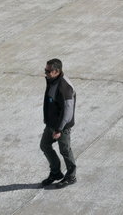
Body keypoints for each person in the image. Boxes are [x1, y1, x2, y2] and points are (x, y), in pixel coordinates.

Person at [40, 58, 77, 188]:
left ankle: (71, 176)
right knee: (45, 145)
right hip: (51, 123)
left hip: (62, 126)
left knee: (65, 150)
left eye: (48, 71)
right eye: (45, 70)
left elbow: (67, 112)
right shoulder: (52, 80)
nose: (45, 73)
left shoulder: (64, 87)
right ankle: (56, 172)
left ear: (57, 71)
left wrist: (59, 129)